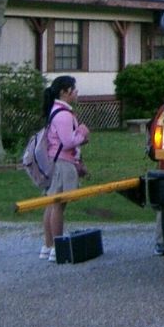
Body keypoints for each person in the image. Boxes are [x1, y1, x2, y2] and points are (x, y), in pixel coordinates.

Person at [40, 75, 91, 261]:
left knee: (52, 203)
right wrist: (83, 134)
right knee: (59, 205)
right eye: (74, 89)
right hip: (63, 162)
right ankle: (56, 245)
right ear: (65, 92)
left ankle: (48, 245)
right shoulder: (63, 115)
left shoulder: (56, 111)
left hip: (56, 161)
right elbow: (68, 141)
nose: (76, 93)